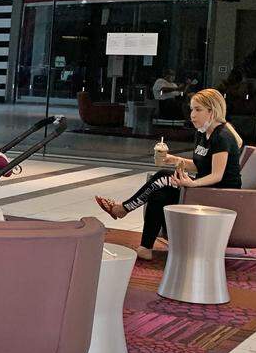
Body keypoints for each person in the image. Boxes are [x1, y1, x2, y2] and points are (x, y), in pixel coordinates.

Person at [95, 89, 243, 260]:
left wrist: (192, 184)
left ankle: (123, 208)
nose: (192, 115)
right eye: (192, 109)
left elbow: (217, 175)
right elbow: (199, 165)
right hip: (206, 188)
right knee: (158, 193)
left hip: (221, 193)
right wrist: (173, 159)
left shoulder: (222, 136)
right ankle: (145, 247)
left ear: (212, 111)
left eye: (198, 110)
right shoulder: (203, 134)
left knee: (162, 176)